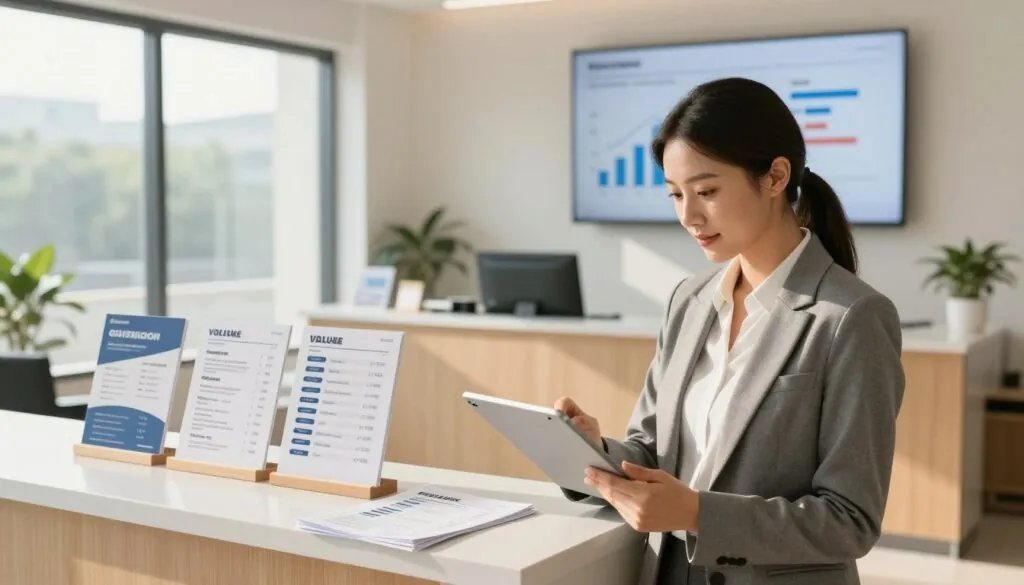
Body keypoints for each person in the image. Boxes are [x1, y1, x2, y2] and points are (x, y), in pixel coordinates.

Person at [555, 77, 906, 585]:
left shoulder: (852, 317)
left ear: (775, 176)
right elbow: (652, 451)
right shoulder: (689, 300)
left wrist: (697, 513)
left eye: (707, 191)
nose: (688, 216)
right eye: (676, 194)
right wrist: (596, 452)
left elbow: (850, 521)